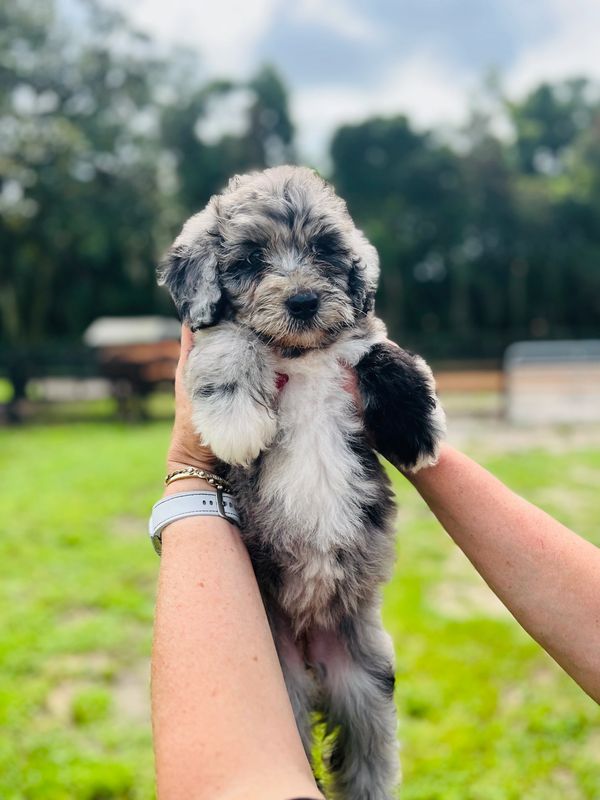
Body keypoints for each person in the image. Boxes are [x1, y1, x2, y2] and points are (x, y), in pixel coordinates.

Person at [151, 326, 600, 800]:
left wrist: (187, 469)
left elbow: (229, 785)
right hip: (263, 600)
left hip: (347, 620)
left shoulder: (359, 343)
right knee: (280, 717)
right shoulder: (231, 345)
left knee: (368, 750)